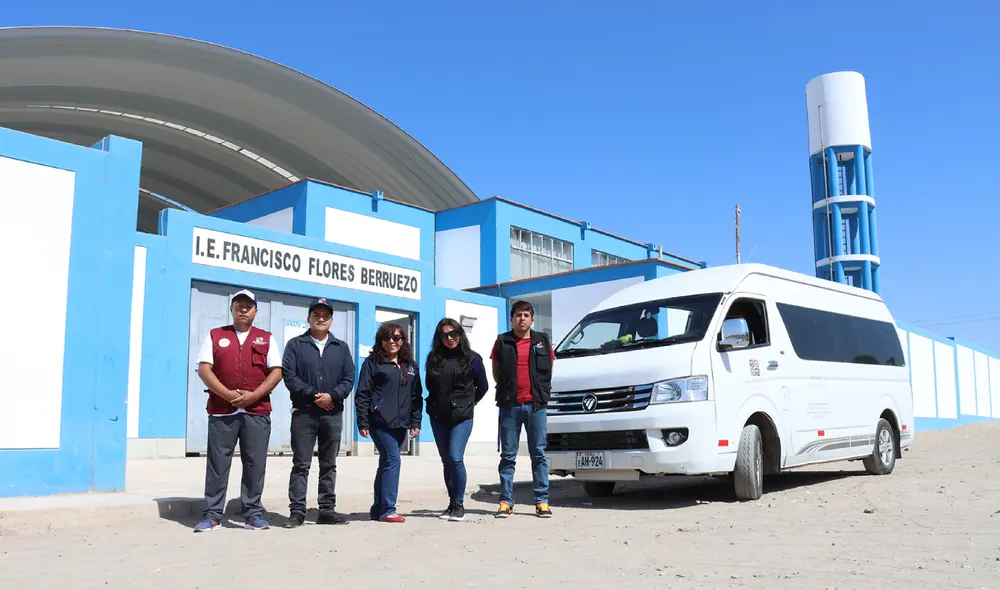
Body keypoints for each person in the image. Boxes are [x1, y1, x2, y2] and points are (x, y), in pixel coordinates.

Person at [193, 289, 283, 532]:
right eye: (238, 305)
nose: (243, 309)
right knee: (217, 464)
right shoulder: (215, 335)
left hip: (257, 411)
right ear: (231, 309)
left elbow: (276, 371)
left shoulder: (266, 338)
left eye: (248, 306)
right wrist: (227, 394)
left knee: (255, 463)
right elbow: (204, 369)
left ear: (256, 311)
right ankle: (212, 514)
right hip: (223, 411)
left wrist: (253, 396)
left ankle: (253, 513)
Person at [281, 297, 356, 528]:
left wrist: (332, 396)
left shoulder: (341, 347)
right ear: (309, 319)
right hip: (304, 413)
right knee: (301, 464)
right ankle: (297, 512)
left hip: (332, 414)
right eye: (316, 315)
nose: (321, 319)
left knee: (329, 463)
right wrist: (315, 395)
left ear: (331, 320)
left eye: (325, 316)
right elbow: (290, 376)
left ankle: (326, 510)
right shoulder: (295, 345)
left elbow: (349, 378)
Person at [490, 300, 556, 519]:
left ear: (532, 319)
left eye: (526, 315)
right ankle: (506, 502)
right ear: (512, 318)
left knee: (538, 454)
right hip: (510, 406)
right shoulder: (502, 341)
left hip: (536, 406)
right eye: (518, 315)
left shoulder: (542, 341)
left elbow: (549, 371)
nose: (522, 319)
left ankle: (542, 501)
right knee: (508, 455)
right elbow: (496, 371)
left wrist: (541, 393)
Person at [355, 323, 423, 523]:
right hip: (380, 421)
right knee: (393, 459)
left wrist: (416, 421)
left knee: (385, 462)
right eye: (387, 338)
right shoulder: (372, 363)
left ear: (403, 341)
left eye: (397, 338)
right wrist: (363, 422)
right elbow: (363, 394)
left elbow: (416, 395)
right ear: (381, 341)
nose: (392, 342)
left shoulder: (410, 365)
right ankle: (388, 509)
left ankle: (378, 508)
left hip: (401, 422)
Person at [424, 318, 489, 522]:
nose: (450, 338)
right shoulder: (434, 358)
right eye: (445, 335)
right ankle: (451, 503)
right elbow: (429, 385)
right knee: (446, 461)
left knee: (455, 457)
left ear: (460, 335)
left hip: (462, 417)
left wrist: (469, 403)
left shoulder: (472, 359)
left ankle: (459, 503)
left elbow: (483, 387)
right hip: (438, 416)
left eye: (454, 334)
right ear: (439, 338)